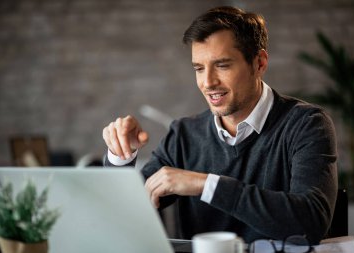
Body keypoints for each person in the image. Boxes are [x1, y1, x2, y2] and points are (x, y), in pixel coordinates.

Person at [102, 6, 337, 244]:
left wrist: (206, 185)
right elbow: (123, 213)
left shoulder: (307, 124)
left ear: (259, 63)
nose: (208, 82)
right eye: (199, 68)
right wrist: (120, 156)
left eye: (223, 65)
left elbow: (311, 223)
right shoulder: (184, 134)